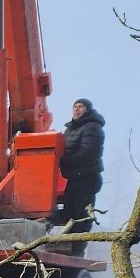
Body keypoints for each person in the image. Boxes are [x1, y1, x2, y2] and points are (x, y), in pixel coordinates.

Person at [52, 98, 105, 238]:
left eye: (80, 106)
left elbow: (87, 153)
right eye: (75, 106)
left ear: (87, 110)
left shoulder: (93, 127)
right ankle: (68, 241)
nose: (77, 109)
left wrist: (62, 161)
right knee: (69, 209)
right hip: (75, 176)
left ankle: (78, 244)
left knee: (81, 211)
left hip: (88, 176)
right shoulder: (70, 129)